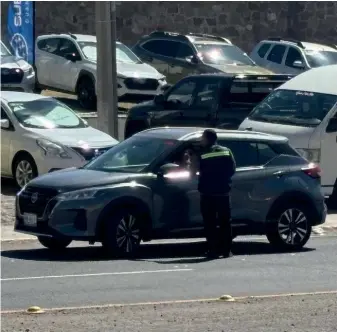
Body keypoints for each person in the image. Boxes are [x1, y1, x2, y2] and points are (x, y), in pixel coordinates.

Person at [197, 129, 236, 258]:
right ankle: (226, 251)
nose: (200, 140)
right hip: (224, 192)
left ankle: (213, 251)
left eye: (202, 138)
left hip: (208, 193)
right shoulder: (227, 151)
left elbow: (197, 170)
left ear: (208, 139)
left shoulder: (203, 153)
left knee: (210, 223)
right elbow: (232, 169)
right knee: (225, 222)